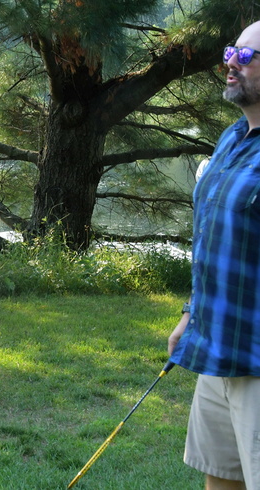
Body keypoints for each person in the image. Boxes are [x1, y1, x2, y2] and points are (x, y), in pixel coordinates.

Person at [168, 20, 260, 490]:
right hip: (219, 349)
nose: (230, 63)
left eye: (246, 56)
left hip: (258, 362)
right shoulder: (231, 139)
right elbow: (213, 240)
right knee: (221, 479)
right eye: (231, 51)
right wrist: (191, 312)